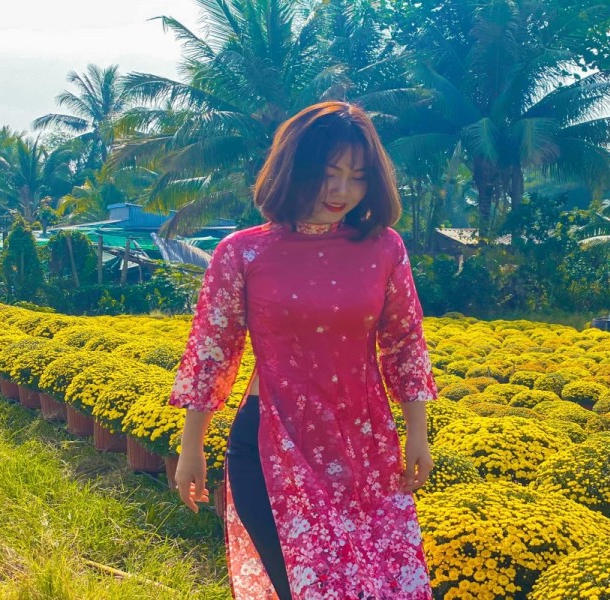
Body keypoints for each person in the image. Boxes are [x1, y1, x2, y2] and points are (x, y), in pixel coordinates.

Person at [168, 101, 438, 600]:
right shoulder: (243, 253)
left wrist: (417, 434)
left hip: (365, 452)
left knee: (377, 587)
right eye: (328, 173)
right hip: (272, 448)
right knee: (307, 590)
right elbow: (211, 355)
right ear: (294, 169)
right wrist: (191, 448)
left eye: (357, 177)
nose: (341, 191)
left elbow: (404, 344)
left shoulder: (384, 248)